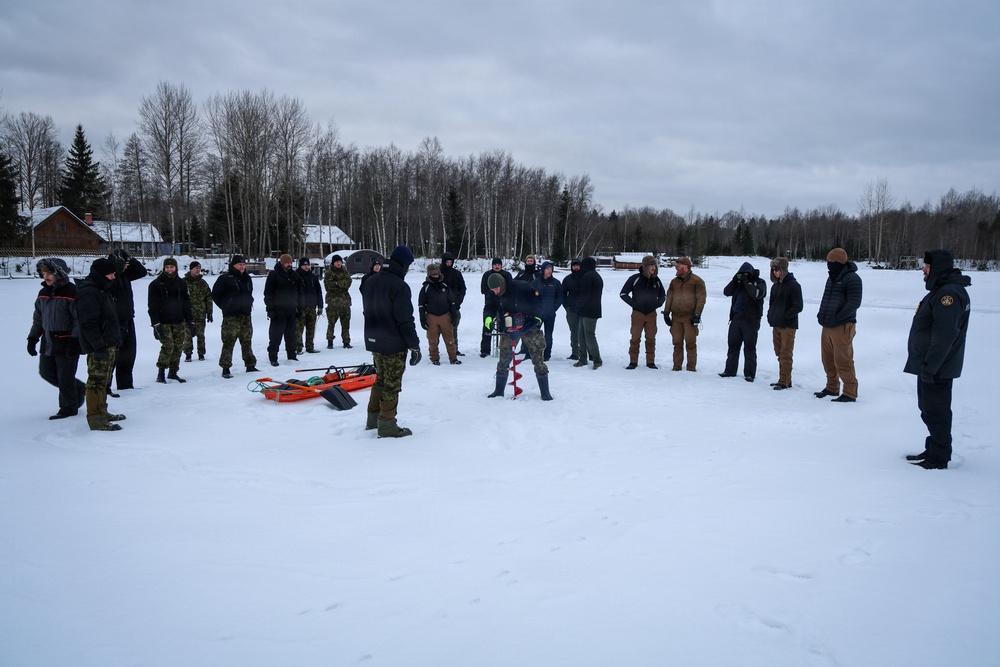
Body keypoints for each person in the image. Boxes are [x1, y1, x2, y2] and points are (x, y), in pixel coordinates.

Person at [903, 250, 972, 470]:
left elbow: (944, 336)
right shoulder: (941, 290)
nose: (923, 270)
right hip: (930, 365)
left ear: (938, 268)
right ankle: (933, 448)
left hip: (937, 368)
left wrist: (930, 367)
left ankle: (939, 457)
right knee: (928, 410)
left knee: (937, 411)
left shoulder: (948, 295)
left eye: (927, 267)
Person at [360, 245, 423, 438]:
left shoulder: (370, 281)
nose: (408, 269)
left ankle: (373, 419)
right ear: (403, 264)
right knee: (392, 385)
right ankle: (387, 424)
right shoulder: (399, 286)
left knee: (380, 379)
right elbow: (405, 319)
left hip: (374, 340)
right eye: (408, 265)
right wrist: (414, 345)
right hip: (393, 343)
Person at [27, 258, 86, 420]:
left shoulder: (71, 292)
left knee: (65, 377)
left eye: (49, 273)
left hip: (67, 340)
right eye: (44, 273)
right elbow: (38, 318)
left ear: (58, 273)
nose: (45, 276)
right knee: (46, 373)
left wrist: (75, 340)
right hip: (48, 341)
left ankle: (68, 408)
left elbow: (78, 319)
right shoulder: (43, 293)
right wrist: (32, 338)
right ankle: (79, 388)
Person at [484, 273, 552, 400]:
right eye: (492, 290)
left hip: (529, 325)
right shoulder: (493, 293)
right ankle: (498, 391)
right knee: (504, 357)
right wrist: (487, 318)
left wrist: (537, 317)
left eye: (497, 289)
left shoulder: (522, 286)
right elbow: (489, 307)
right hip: (509, 327)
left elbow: (539, 300)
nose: (495, 292)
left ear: (502, 284)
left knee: (538, 357)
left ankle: (545, 392)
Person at [76, 257, 125, 431]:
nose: (114, 277)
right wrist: (99, 346)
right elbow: (88, 324)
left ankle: (102, 411)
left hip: (109, 343)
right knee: (96, 382)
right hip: (100, 346)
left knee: (104, 381)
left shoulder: (102, 289)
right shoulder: (89, 292)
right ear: (102, 274)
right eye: (111, 274)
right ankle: (96, 418)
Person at [815, 247, 863, 402]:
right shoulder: (832, 278)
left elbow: (854, 303)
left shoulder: (852, 278)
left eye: (831, 261)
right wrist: (821, 315)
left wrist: (838, 318)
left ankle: (850, 392)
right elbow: (826, 298)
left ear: (838, 262)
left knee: (843, 360)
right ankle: (832, 387)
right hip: (827, 325)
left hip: (843, 326)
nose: (828, 264)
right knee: (827, 359)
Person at [106, 248, 147, 393]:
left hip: (128, 318)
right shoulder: (109, 277)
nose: (127, 266)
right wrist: (118, 265)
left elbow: (142, 272)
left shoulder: (124, 275)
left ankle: (125, 385)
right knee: (112, 356)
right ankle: (106, 387)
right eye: (125, 263)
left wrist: (130, 258)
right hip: (114, 321)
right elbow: (112, 280)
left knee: (128, 353)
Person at [148, 257, 194, 383]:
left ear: (176, 268)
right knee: (168, 346)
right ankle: (161, 372)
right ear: (164, 268)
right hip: (164, 321)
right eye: (167, 267)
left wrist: (190, 321)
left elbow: (186, 303)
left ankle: (173, 372)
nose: (169, 269)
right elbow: (152, 306)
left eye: (172, 267)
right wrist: (156, 324)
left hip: (179, 320)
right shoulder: (156, 285)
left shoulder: (181, 283)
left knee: (178, 346)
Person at [212, 254, 258, 379]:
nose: (242, 267)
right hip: (231, 317)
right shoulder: (225, 278)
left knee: (247, 341)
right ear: (233, 265)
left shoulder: (247, 278)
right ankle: (225, 368)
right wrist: (226, 306)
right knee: (228, 342)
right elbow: (215, 295)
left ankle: (250, 365)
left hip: (245, 315)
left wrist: (250, 302)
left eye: (243, 264)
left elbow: (250, 293)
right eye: (240, 265)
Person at [719, 262, 766, 381]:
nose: (743, 276)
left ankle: (749, 373)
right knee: (733, 346)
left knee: (749, 347)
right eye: (741, 274)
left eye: (745, 274)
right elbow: (726, 292)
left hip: (751, 320)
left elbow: (756, 294)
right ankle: (730, 370)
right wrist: (734, 280)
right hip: (736, 318)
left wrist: (746, 282)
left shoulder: (759, 282)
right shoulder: (738, 283)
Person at [620, 255, 665, 369]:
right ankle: (633, 362)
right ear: (645, 267)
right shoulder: (635, 279)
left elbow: (663, 295)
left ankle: (650, 362)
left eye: (654, 265)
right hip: (638, 313)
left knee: (651, 339)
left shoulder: (657, 280)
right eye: (651, 265)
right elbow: (623, 294)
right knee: (635, 338)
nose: (653, 268)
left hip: (651, 314)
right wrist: (634, 304)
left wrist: (658, 304)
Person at [663, 256, 707, 372]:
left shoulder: (697, 281)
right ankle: (676, 367)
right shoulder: (674, 282)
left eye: (678, 266)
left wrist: (697, 314)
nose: (676, 268)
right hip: (676, 317)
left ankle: (691, 368)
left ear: (686, 267)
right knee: (677, 343)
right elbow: (669, 298)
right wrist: (666, 312)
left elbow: (701, 299)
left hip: (690, 317)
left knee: (690, 343)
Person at [766, 257, 803, 390]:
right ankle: (785, 379)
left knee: (786, 353)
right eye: (773, 270)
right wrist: (771, 316)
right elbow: (772, 304)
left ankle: (784, 381)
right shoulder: (775, 286)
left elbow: (798, 306)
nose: (775, 272)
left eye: (777, 269)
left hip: (788, 326)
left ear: (783, 269)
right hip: (776, 324)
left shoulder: (794, 285)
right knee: (779, 352)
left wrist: (785, 316)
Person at [418, 263, 461, 365]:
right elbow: (421, 305)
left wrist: (453, 315)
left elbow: (452, 302)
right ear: (429, 275)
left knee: (450, 338)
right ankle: (434, 358)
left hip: (445, 315)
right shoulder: (425, 288)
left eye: (437, 274)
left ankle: (453, 358)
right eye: (433, 274)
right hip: (431, 316)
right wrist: (422, 319)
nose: (435, 276)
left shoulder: (445, 286)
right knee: (432, 339)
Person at [264, 253, 302, 366]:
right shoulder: (274, 275)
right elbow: (268, 294)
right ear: (281, 263)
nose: (289, 265)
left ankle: (292, 355)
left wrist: (300, 308)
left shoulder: (295, 276)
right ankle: (273, 357)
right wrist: (270, 309)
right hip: (278, 311)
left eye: (290, 262)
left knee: (291, 335)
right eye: (287, 263)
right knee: (275, 336)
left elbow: (300, 294)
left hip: (291, 310)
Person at [573, 257, 604, 369]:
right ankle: (582, 359)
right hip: (589, 310)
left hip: (589, 311)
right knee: (581, 335)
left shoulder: (587, 276)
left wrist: (578, 307)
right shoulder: (596, 276)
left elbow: (584, 295)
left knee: (589, 336)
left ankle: (597, 360)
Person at [479, 258, 513, 357]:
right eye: (495, 264)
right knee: (487, 325)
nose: (497, 266)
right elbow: (483, 289)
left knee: (506, 325)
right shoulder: (487, 275)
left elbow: (510, 288)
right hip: (491, 303)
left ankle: (505, 349)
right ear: (492, 265)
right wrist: (492, 294)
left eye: (498, 264)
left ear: (501, 265)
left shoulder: (507, 275)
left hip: (504, 304)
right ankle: (485, 350)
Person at [531, 261, 563, 361]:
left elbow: (560, 297)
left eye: (551, 269)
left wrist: (554, 307)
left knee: (548, 335)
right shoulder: (536, 282)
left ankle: (547, 355)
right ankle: (534, 353)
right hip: (537, 314)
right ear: (543, 270)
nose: (549, 271)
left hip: (550, 314)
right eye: (547, 269)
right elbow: (529, 295)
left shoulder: (556, 283)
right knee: (534, 334)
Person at [183, 260, 213, 362]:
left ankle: (201, 353)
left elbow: (208, 298)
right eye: (196, 268)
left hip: (200, 314)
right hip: (187, 314)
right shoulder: (183, 282)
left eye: (199, 268)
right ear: (191, 269)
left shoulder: (203, 283)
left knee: (201, 335)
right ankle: (188, 354)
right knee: (187, 335)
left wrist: (209, 312)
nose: (198, 270)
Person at [440, 251, 467, 355]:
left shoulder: (456, 274)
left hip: (454, 307)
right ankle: (434, 352)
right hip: (439, 307)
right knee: (436, 331)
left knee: (453, 329)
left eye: (450, 262)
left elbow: (463, 288)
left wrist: (458, 301)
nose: (449, 264)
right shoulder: (438, 273)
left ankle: (454, 350)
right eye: (447, 262)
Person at [323, 254, 352, 349]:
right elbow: (328, 286)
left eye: (340, 261)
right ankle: (330, 341)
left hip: (345, 301)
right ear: (333, 263)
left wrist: (336, 283)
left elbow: (348, 283)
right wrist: (340, 284)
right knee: (331, 323)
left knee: (346, 323)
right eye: (337, 262)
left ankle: (346, 341)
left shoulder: (345, 272)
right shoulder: (328, 273)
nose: (339, 263)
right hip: (333, 302)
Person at [295, 257, 323, 354]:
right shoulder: (296, 276)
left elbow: (319, 292)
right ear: (300, 265)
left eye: (307, 265)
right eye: (304, 265)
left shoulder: (313, 277)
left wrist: (320, 305)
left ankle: (310, 346)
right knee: (299, 329)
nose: (306, 267)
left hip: (312, 307)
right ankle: (298, 347)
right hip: (300, 307)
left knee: (311, 328)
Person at [561, 258, 583, 360]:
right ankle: (575, 352)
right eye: (574, 265)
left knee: (585, 332)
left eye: (577, 265)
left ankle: (587, 352)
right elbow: (562, 294)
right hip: (572, 309)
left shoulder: (585, 277)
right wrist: (567, 306)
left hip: (584, 309)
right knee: (574, 331)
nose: (576, 267)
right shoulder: (567, 279)